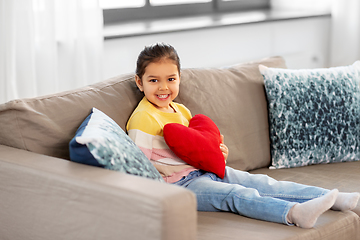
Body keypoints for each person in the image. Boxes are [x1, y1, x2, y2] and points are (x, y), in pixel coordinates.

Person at [126, 42, 360, 228]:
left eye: (170, 79)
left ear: (179, 78)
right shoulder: (142, 119)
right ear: (140, 82)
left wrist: (217, 153)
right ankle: (293, 214)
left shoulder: (181, 110)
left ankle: (335, 199)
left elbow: (196, 146)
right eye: (153, 81)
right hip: (182, 186)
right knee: (236, 194)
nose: (163, 87)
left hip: (207, 171)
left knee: (262, 182)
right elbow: (141, 169)